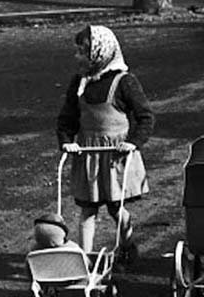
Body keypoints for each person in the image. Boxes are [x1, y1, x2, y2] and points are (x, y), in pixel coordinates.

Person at [56, 24, 154, 260]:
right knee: (87, 209)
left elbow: (145, 117)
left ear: (100, 53)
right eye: (78, 51)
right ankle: (86, 258)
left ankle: (127, 244)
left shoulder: (124, 82)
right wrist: (67, 141)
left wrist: (133, 142)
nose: (77, 56)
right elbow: (67, 118)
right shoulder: (79, 83)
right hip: (88, 153)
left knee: (115, 207)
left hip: (114, 155)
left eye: (83, 52)